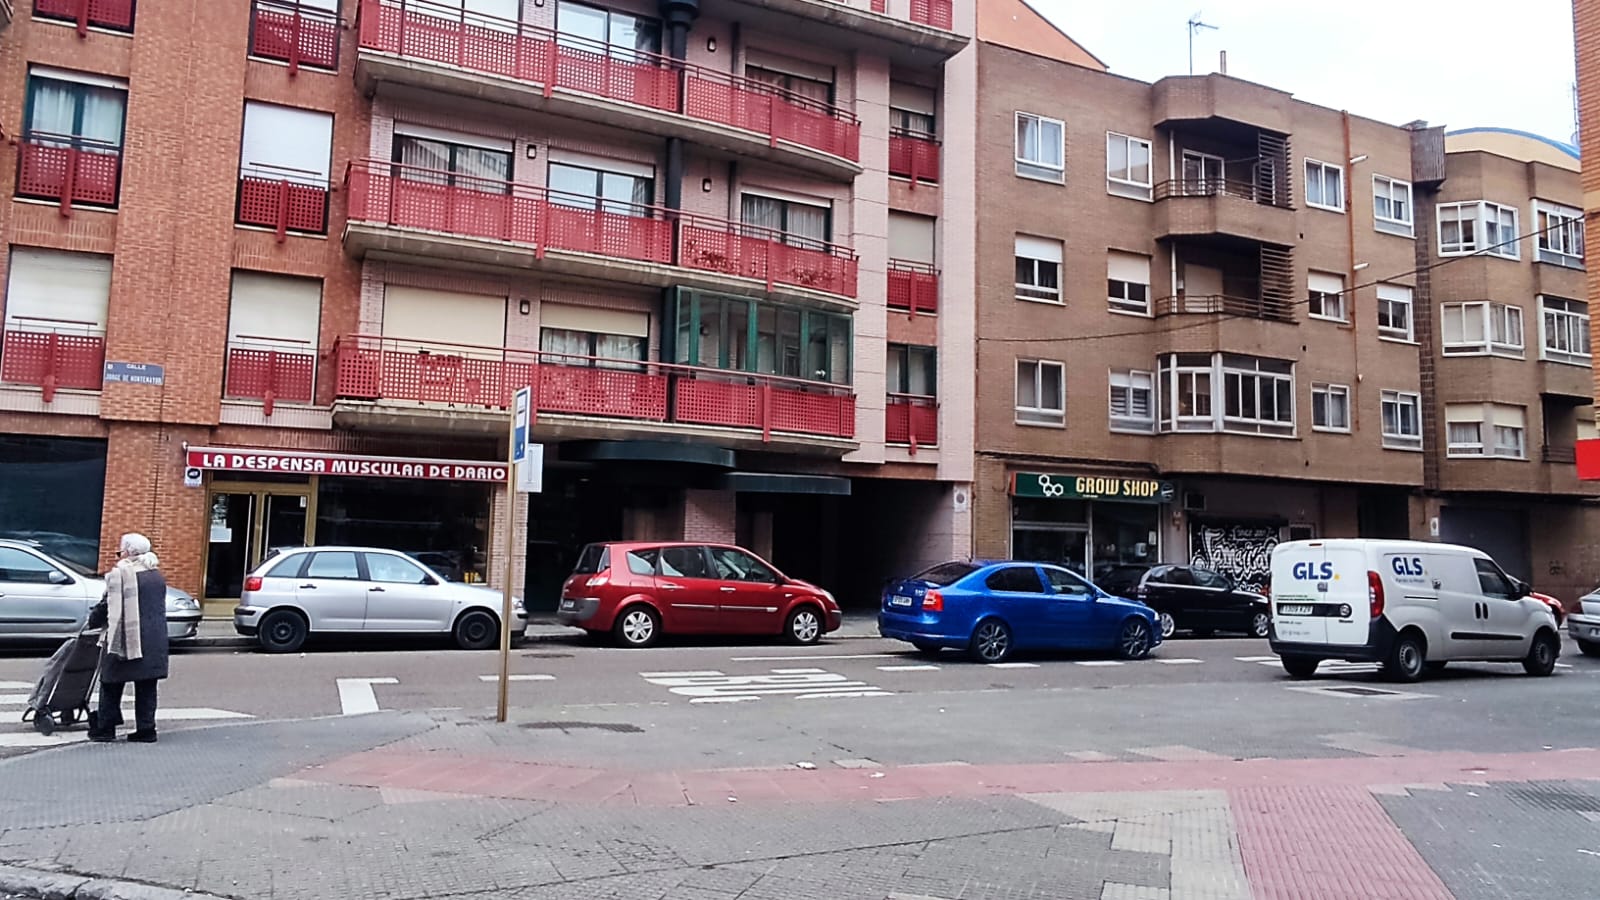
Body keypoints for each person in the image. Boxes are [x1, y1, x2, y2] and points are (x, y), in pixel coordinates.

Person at [86, 533, 169, 743]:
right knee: (147, 685)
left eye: (121, 550)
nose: (119, 555)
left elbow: (108, 606)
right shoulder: (155, 575)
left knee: (111, 681)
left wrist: (92, 621)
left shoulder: (121, 575)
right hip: (153, 639)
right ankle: (146, 729)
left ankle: (106, 728)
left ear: (130, 552)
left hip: (124, 637)